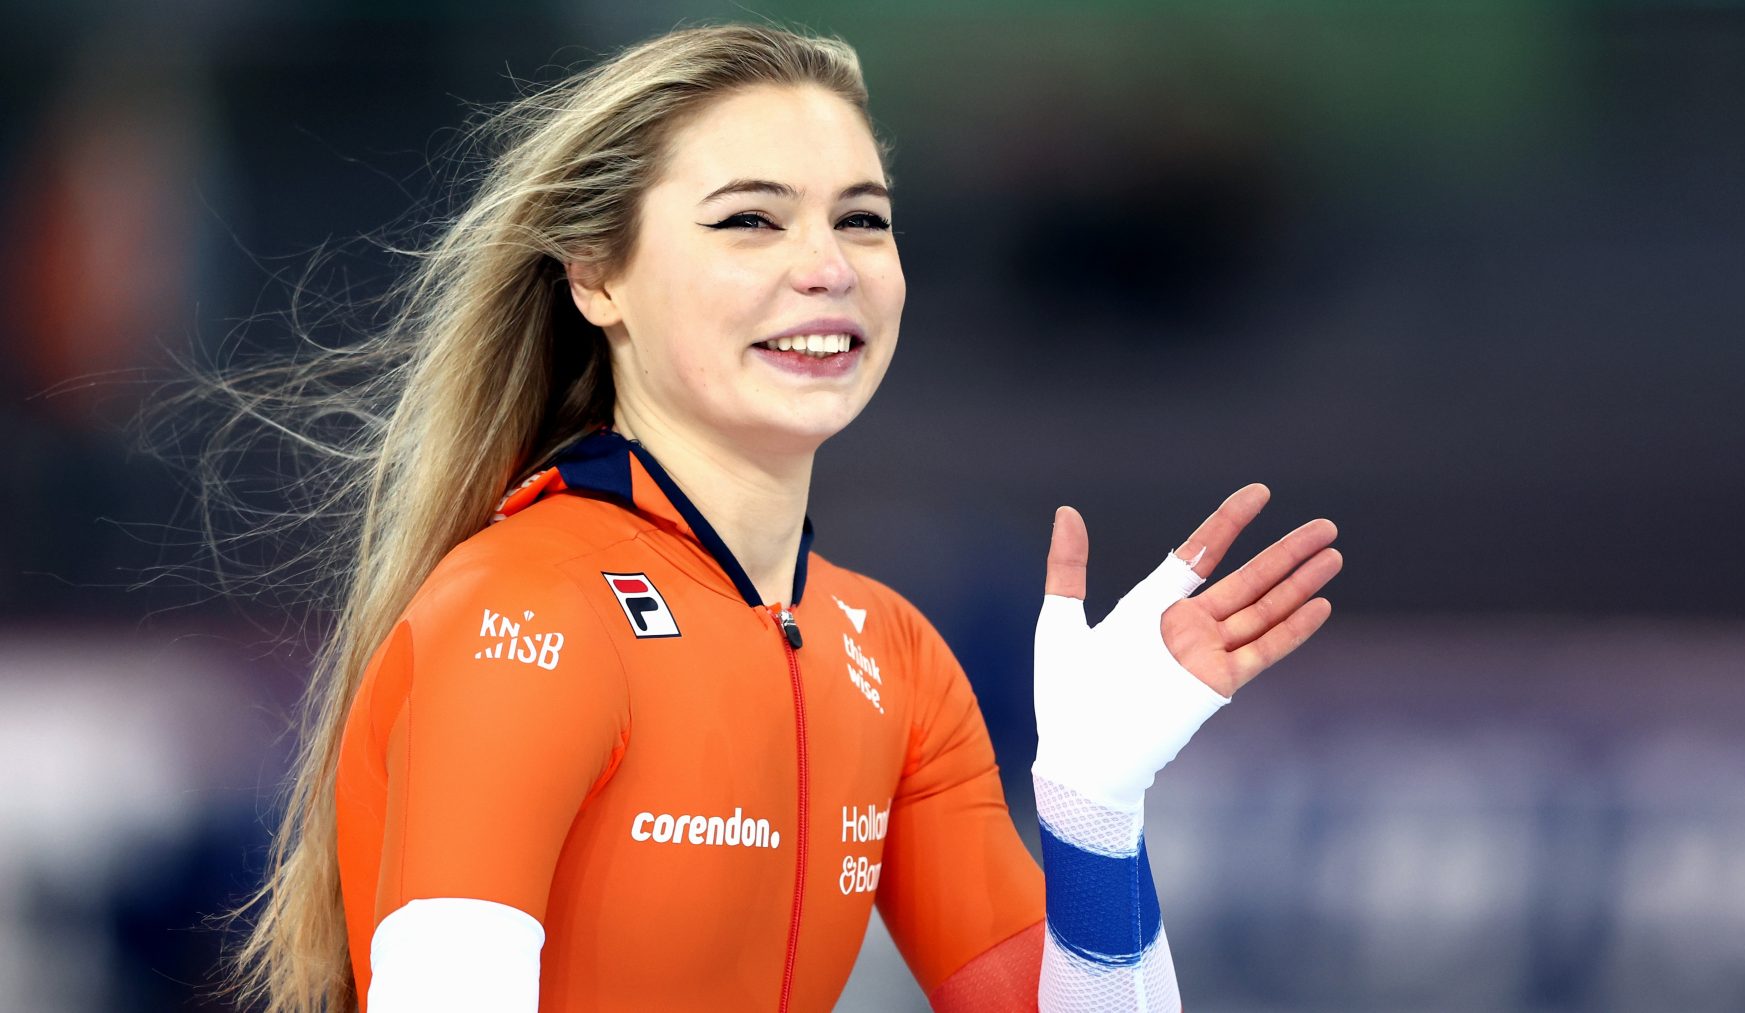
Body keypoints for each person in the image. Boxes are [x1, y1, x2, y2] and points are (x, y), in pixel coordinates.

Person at [225, 22, 1341, 1013]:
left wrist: (1096, 800)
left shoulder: (893, 657)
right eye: (751, 219)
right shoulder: (520, 617)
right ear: (596, 276)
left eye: (862, 219)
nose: (826, 266)